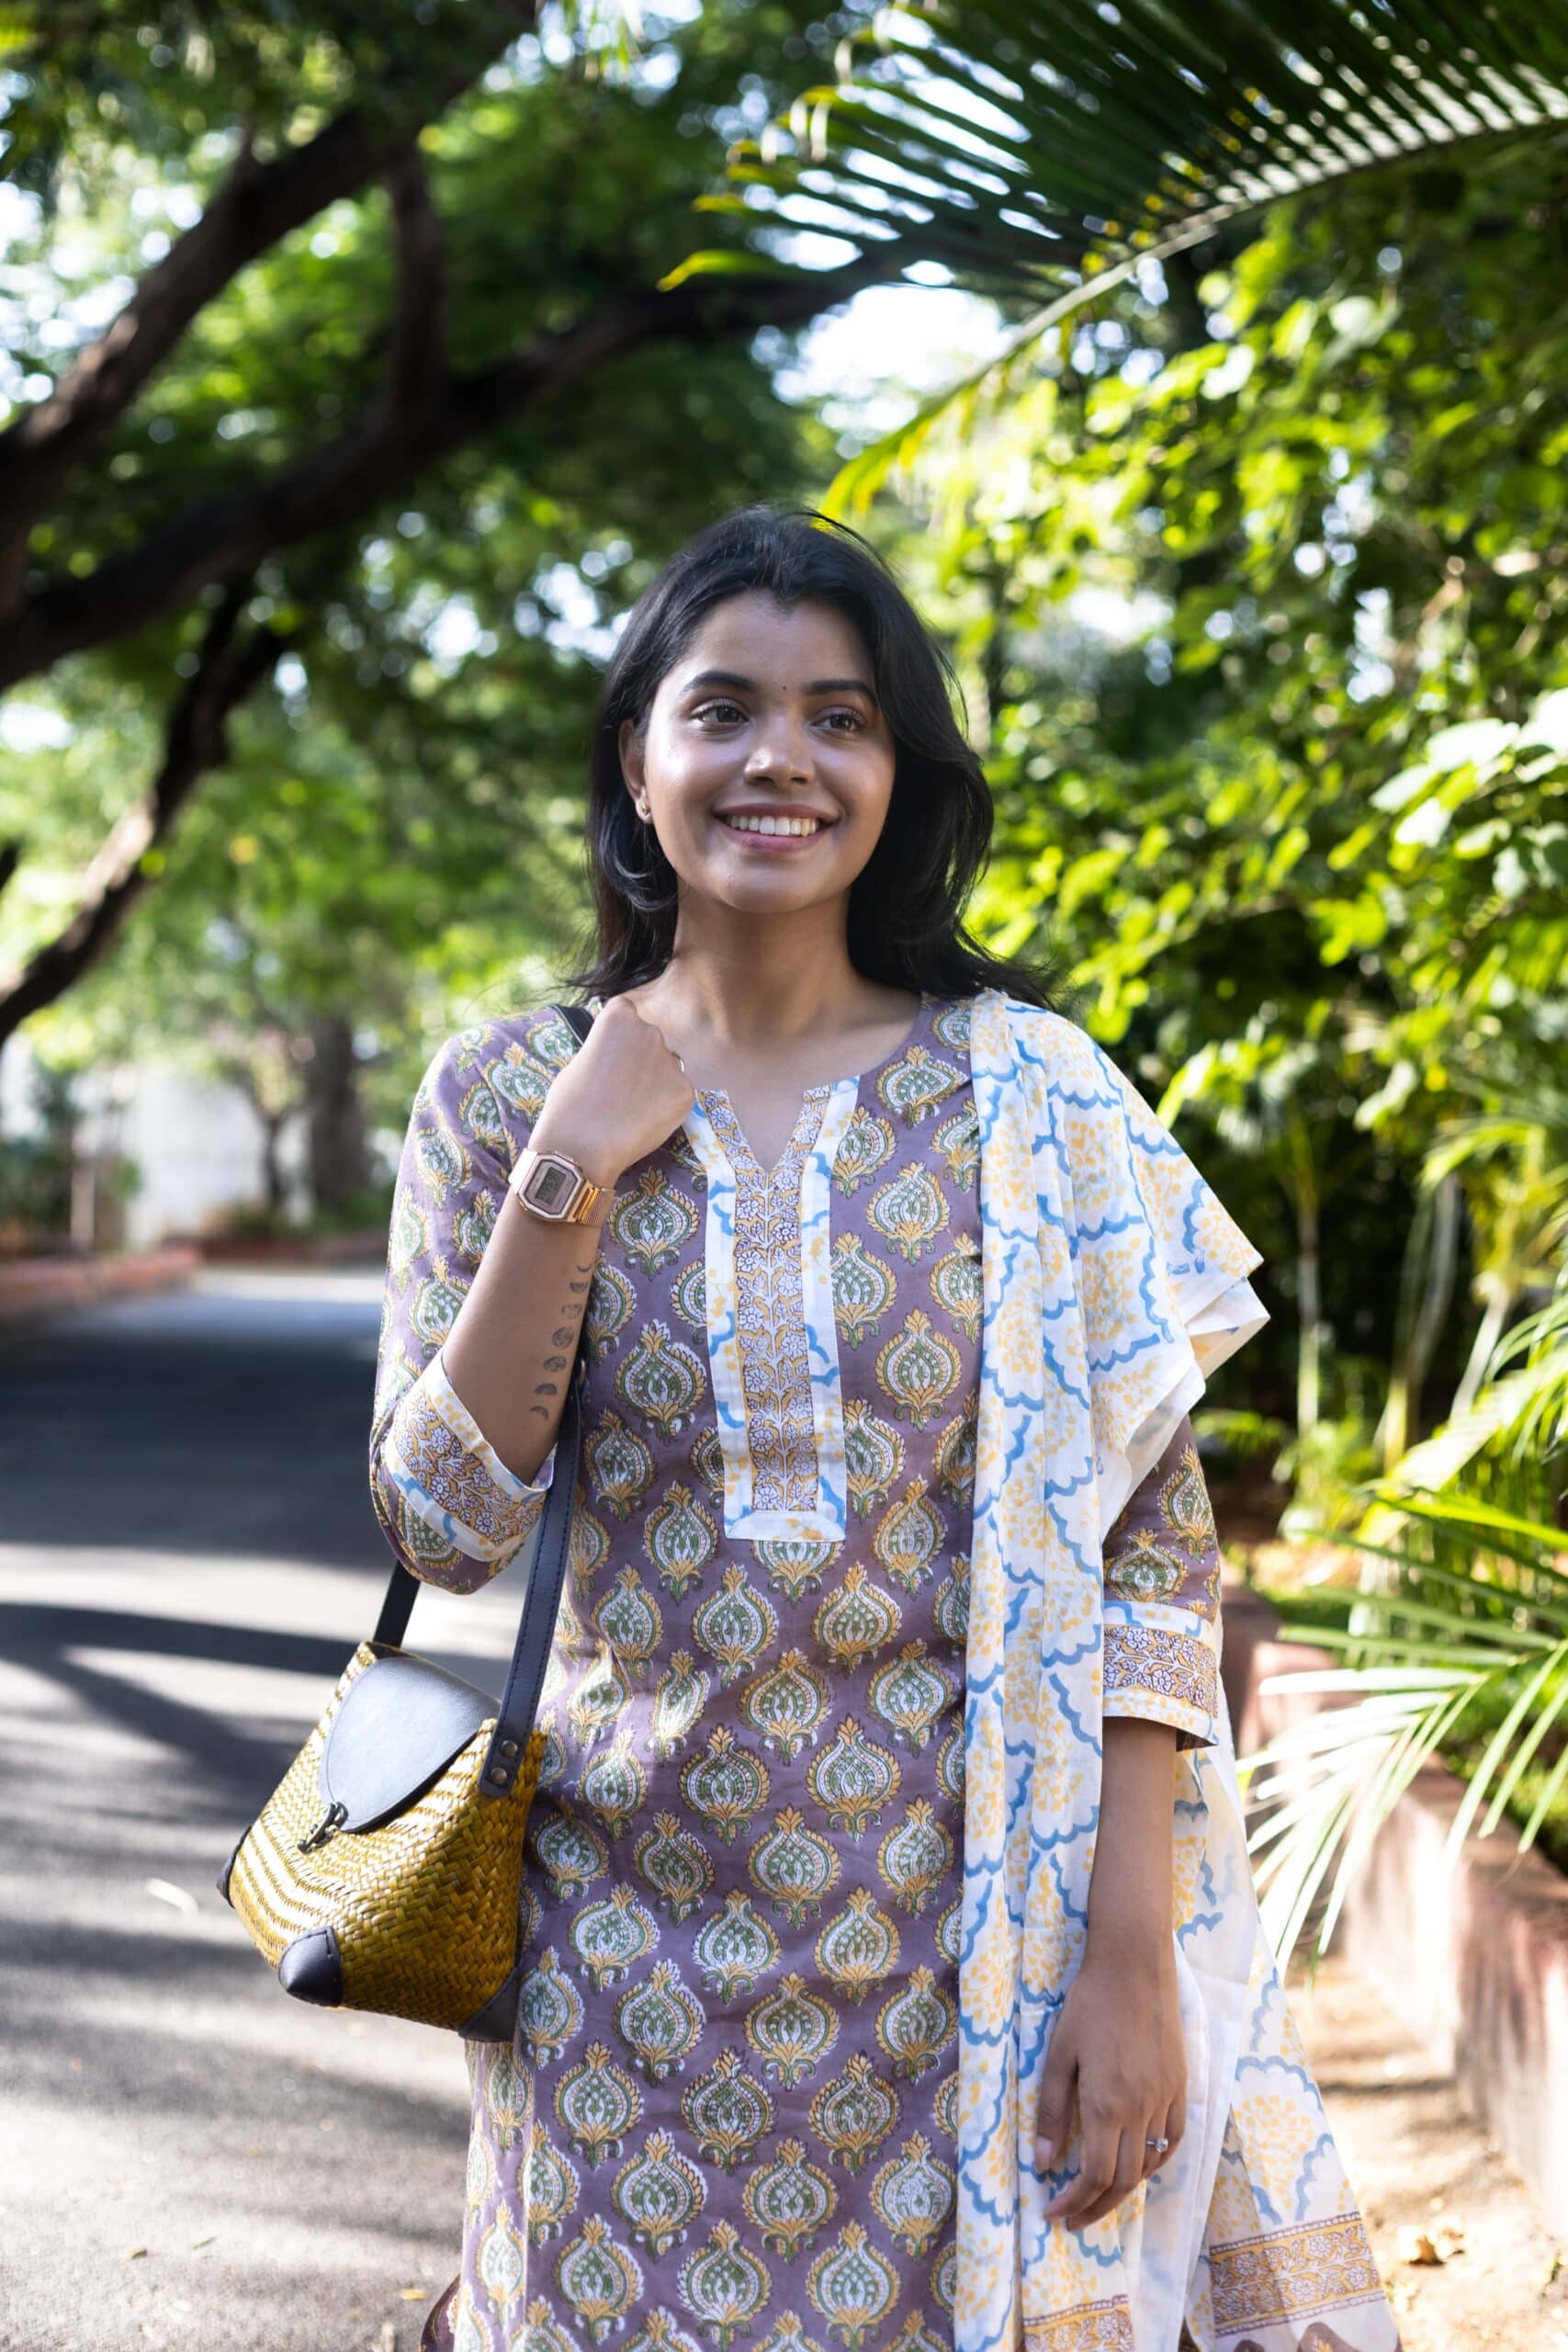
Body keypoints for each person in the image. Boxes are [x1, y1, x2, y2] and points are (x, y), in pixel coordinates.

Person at [369, 504, 1400, 2352]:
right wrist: (564, 1174)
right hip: (608, 1967)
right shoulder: (502, 1094)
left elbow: (1147, 1557)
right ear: (638, 755)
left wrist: (1127, 1959)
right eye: (725, 708)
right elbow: (444, 1523)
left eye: (839, 716)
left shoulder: (1034, 1098)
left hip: (966, 1958)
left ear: (894, 768)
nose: (781, 758)